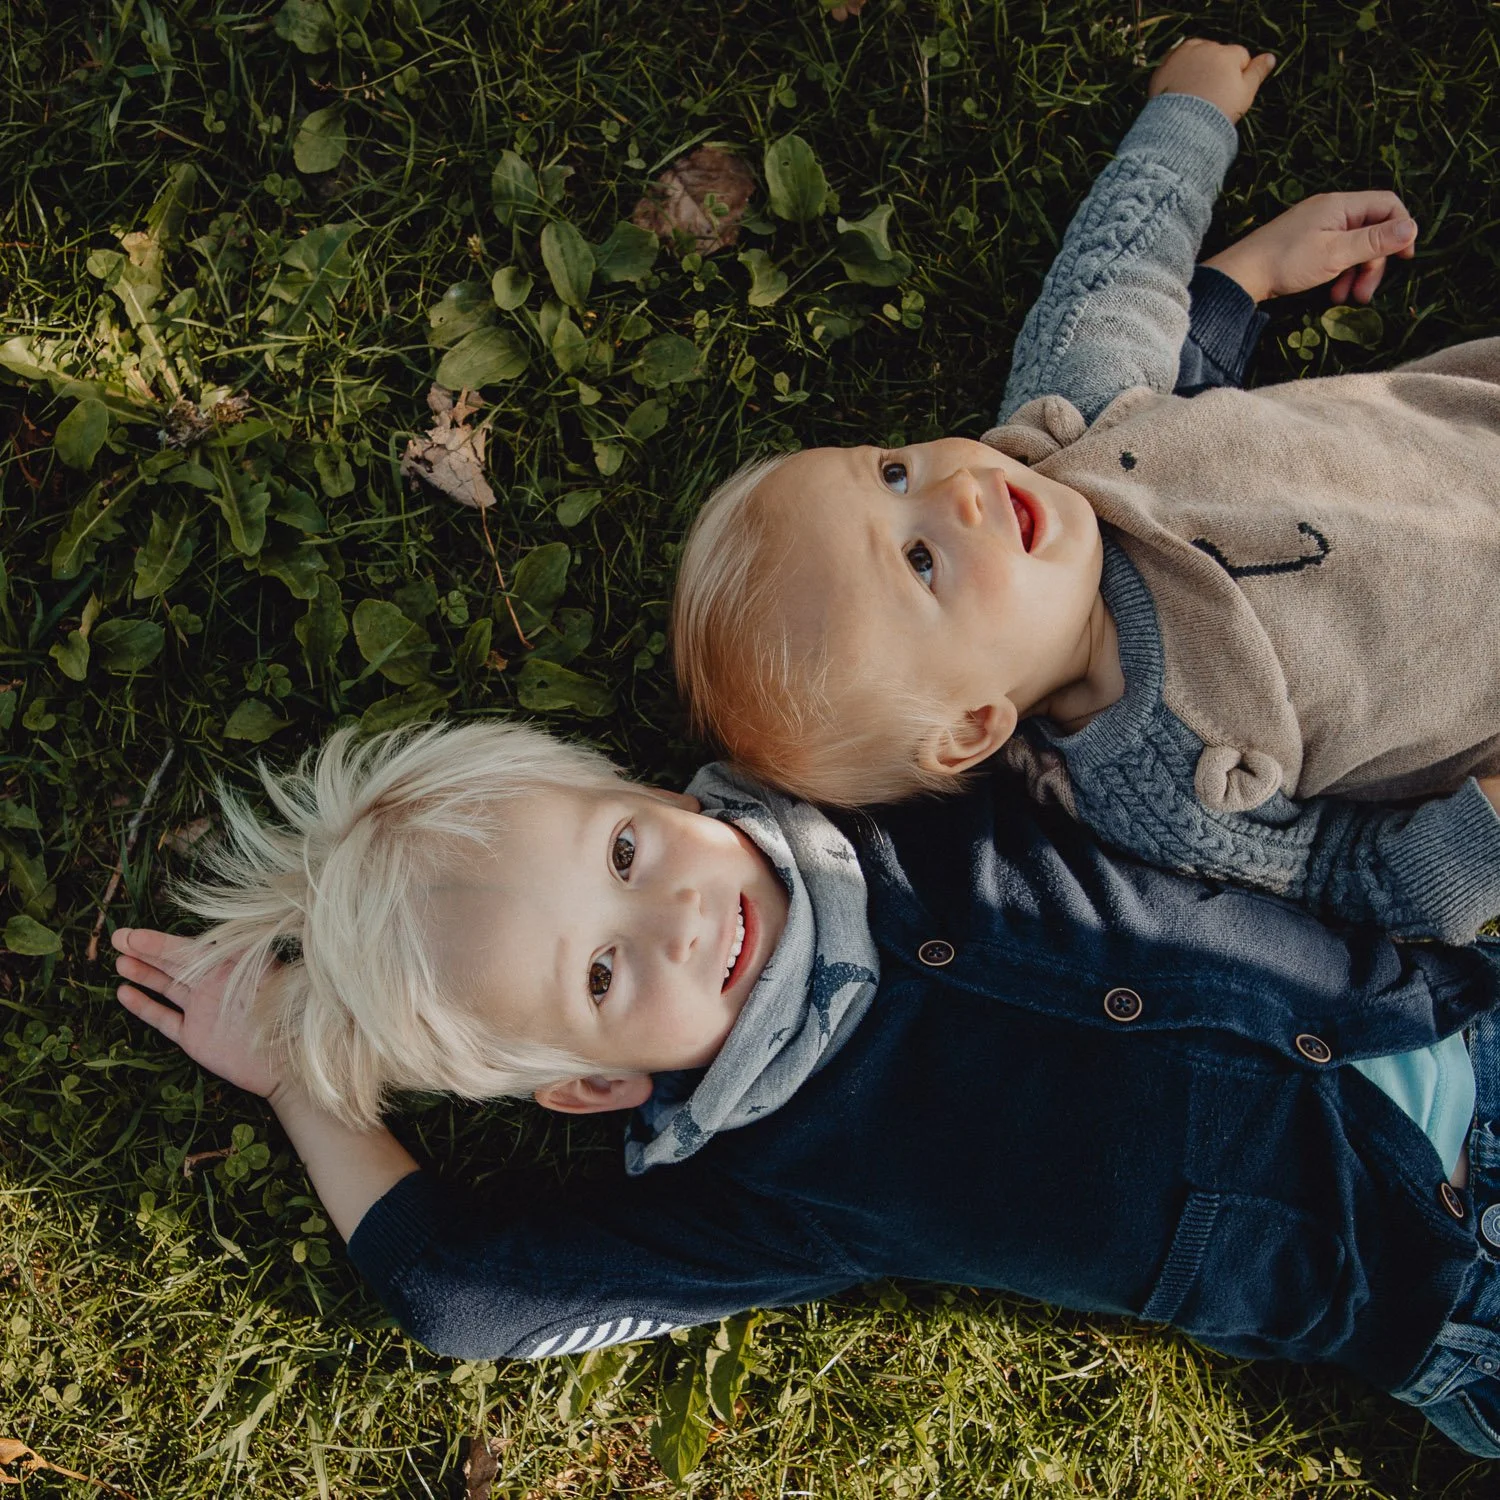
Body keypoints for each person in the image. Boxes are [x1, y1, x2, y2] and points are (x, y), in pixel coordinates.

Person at [114, 716, 1500, 1458]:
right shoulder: (766, 1193)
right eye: (601, 977)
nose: (669, 921)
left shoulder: (870, 793)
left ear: (643, 790)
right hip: (1433, 1285)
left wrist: (1220, 301)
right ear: (597, 1088)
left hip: (1457, 1018)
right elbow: (462, 1300)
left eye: (620, 855)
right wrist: (304, 1080)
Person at [670, 40, 1500, 948]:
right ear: (972, 726)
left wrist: (1207, 152)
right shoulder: (1164, 793)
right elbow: (1348, 882)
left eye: (892, 470)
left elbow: (1118, 272)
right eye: (919, 560)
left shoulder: (1068, 429)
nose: (958, 492)